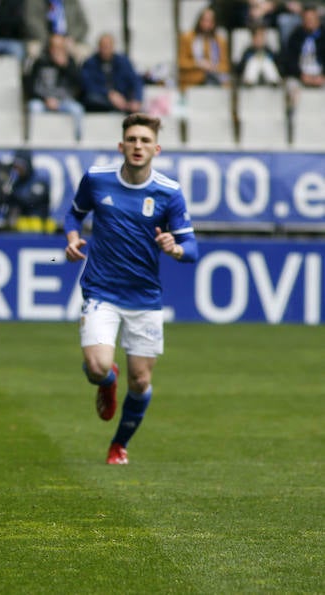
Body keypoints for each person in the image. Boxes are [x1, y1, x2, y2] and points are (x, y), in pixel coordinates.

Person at [63, 113, 199, 465]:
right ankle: (107, 381)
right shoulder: (96, 180)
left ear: (156, 148)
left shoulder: (169, 193)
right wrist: (73, 238)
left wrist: (174, 248)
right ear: (121, 145)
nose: (138, 146)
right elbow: (73, 214)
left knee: (140, 381)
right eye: (132, 140)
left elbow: (192, 250)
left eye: (144, 141)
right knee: (96, 367)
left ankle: (118, 444)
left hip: (144, 298)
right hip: (101, 291)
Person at [27, 33, 85, 140]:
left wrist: (65, 67)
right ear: (50, 48)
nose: (57, 50)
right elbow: (30, 87)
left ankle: (78, 141)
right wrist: (45, 99)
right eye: (55, 47)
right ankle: (34, 139)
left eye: (61, 47)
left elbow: (80, 85)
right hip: (43, 101)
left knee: (77, 110)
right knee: (34, 107)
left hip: (64, 101)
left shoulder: (70, 62)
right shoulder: (40, 62)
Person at [80, 33, 144, 113]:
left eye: (108, 46)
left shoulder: (123, 61)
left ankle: (125, 106)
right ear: (98, 47)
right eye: (103, 46)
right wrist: (109, 94)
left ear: (113, 47)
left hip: (122, 97)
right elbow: (87, 85)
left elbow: (136, 81)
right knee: (92, 98)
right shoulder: (90, 63)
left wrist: (137, 99)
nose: (105, 49)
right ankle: (121, 107)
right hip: (101, 98)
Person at [281, 3, 325, 106]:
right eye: (307, 19)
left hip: (320, 74)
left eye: (312, 18)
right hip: (300, 75)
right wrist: (301, 75)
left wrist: (322, 76)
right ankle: (293, 119)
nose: (310, 21)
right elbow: (289, 60)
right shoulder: (295, 36)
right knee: (291, 87)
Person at [178, 7, 231, 90]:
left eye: (210, 21)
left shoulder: (220, 41)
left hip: (215, 77)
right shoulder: (187, 38)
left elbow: (225, 66)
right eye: (204, 20)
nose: (207, 24)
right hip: (193, 79)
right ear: (199, 21)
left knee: (224, 82)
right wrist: (198, 64)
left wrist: (213, 66)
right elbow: (181, 62)